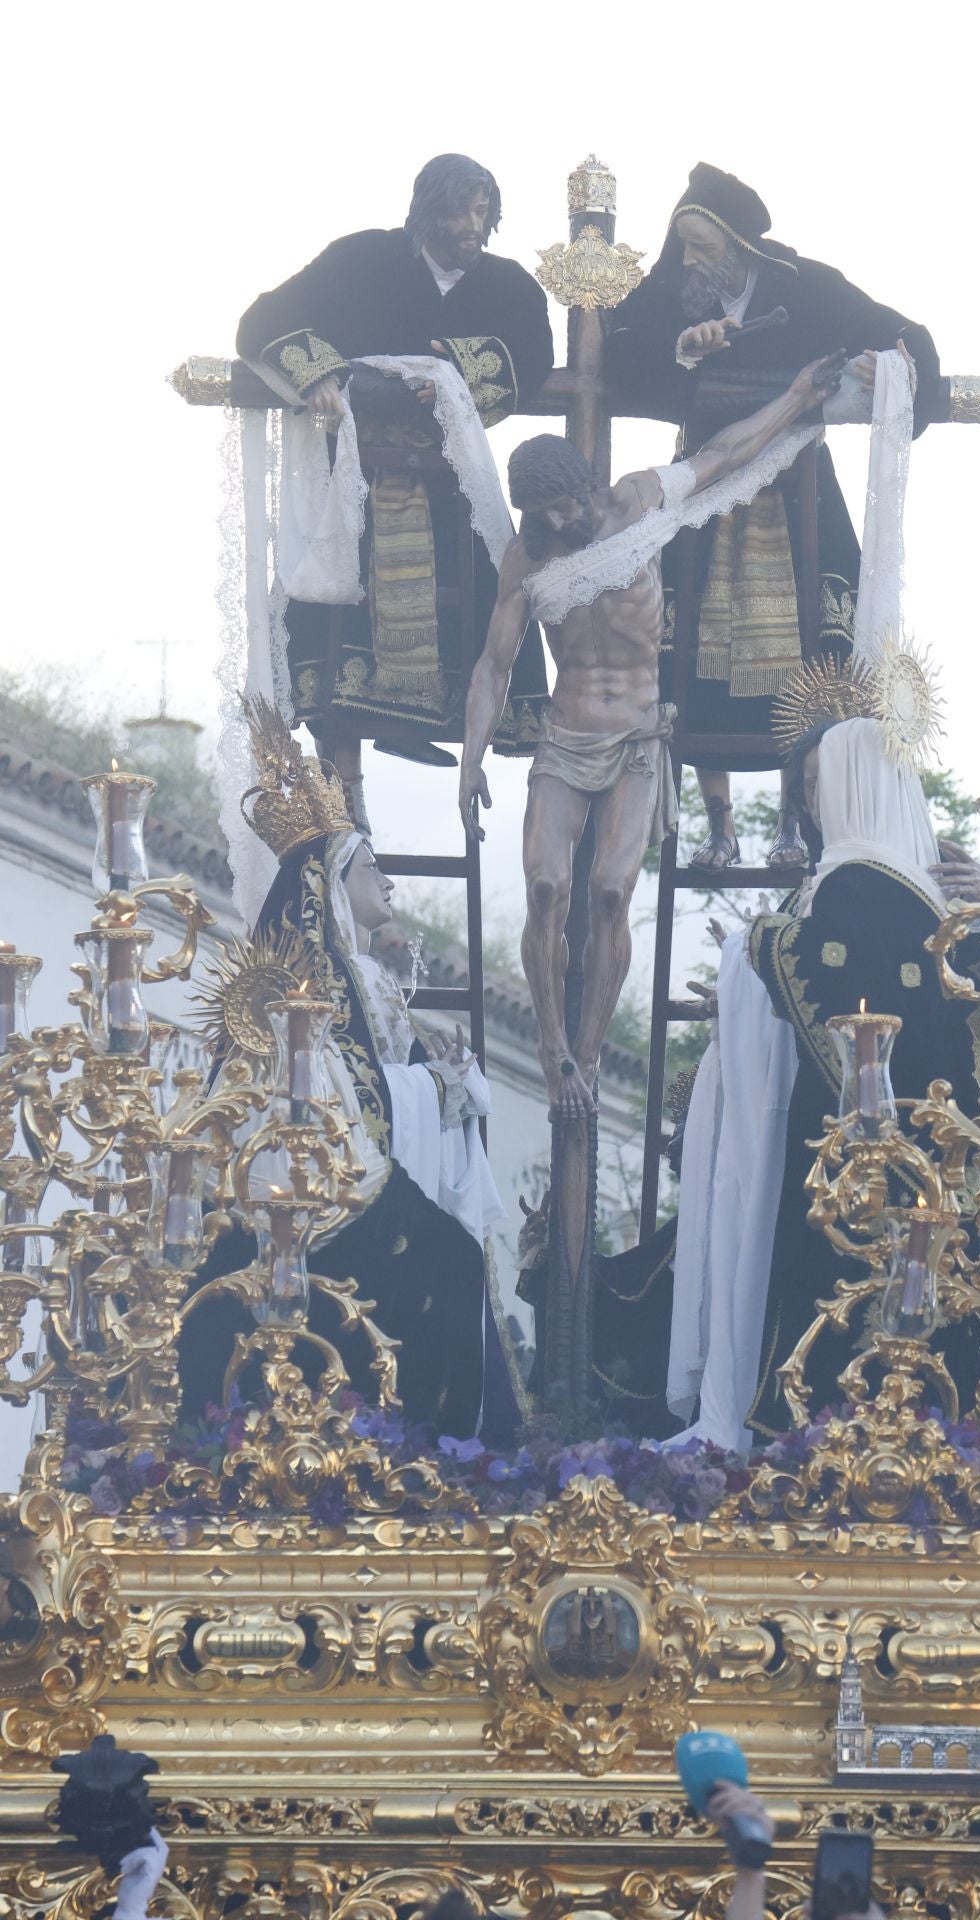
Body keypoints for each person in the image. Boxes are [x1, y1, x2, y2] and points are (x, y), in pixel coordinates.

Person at [459, 353, 848, 1119]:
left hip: (638, 739)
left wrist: (798, 393)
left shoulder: (638, 505)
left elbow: (723, 452)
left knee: (609, 894)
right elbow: (491, 667)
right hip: (565, 737)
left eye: (564, 508)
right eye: (541, 515)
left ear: (584, 487)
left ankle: (591, 1053)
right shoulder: (528, 556)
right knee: (544, 888)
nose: (558, 524)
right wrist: (469, 762)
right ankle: (549, 1048)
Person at [667, 714, 980, 1450]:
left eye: (821, 785)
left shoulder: (855, 887)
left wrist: (753, 945)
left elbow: (828, 976)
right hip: (948, 1168)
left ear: (860, 784)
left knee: (836, 1362)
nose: (813, 807)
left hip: (859, 1165)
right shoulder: (936, 901)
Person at [179, 709, 520, 1441]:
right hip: (313, 1197)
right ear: (329, 886)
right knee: (447, 1263)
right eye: (371, 866)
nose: (387, 880)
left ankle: (430, 1437)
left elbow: (374, 1084)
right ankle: (430, 1440)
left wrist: (441, 1080)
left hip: (341, 1180)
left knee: (455, 1260)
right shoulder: (305, 988)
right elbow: (346, 1101)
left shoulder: (356, 978)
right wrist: (437, 1087)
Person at [607, 163, 941, 868]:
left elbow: (898, 332)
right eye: (685, 245)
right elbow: (617, 352)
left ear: (739, 244)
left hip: (798, 491)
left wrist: (899, 368)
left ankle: (794, 818)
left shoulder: (805, 288)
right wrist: (679, 348)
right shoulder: (673, 294)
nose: (690, 261)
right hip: (707, 481)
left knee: (812, 651)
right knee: (690, 653)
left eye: (702, 246)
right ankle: (719, 824)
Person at [237, 153, 554, 778]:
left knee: (483, 601)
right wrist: (316, 373)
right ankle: (343, 794)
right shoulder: (360, 260)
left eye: (483, 212)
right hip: (353, 483)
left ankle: (432, 729)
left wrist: (460, 378)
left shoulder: (510, 285)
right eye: (460, 210)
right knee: (334, 621)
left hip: (453, 484)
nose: (472, 225)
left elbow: (534, 356)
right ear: (428, 210)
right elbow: (263, 321)